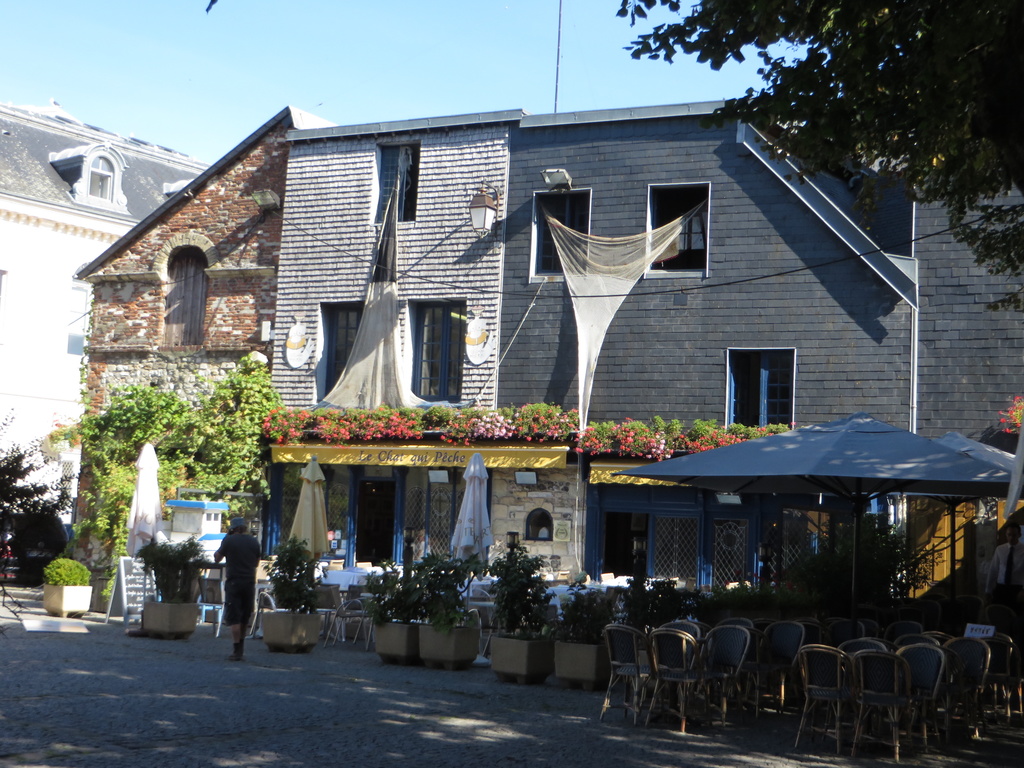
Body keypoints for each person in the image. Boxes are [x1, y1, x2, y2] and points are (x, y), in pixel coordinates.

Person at [214, 517, 261, 661]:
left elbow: (217, 558)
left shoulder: (229, 540)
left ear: (232, 528)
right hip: (249, 582)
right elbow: (256, 563)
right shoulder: (254, 541)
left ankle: (236, 649)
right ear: (245, 528)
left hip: (234, 582)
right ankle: (241, 646)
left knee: (234, 617)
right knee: (244, 616)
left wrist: (226, 540)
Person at [985, 521, 1024, 611]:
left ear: (1019, 535)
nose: (1011, 538)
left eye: (1014, 535)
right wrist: (988, 590)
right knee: (998, 612)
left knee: (1015, 613)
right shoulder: (1000, 549)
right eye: (1009, 535)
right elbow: (993, 570)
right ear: (1006, 535)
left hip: (1017, 588)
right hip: (1001, 587)